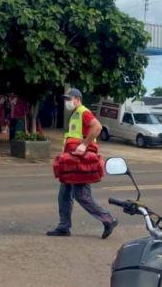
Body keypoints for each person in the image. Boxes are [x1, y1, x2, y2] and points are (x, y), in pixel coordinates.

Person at [47, 89, 118, 239]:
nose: (67, 102)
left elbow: (97, 127)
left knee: (82, 195)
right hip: (71, 162)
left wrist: (84, 145)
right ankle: (64, 227)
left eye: (69, 99)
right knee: (64, 195)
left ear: (77, 99)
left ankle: (108, 220)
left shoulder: (83, 112)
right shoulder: (75, 114)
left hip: (81, 162)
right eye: (65, 99)